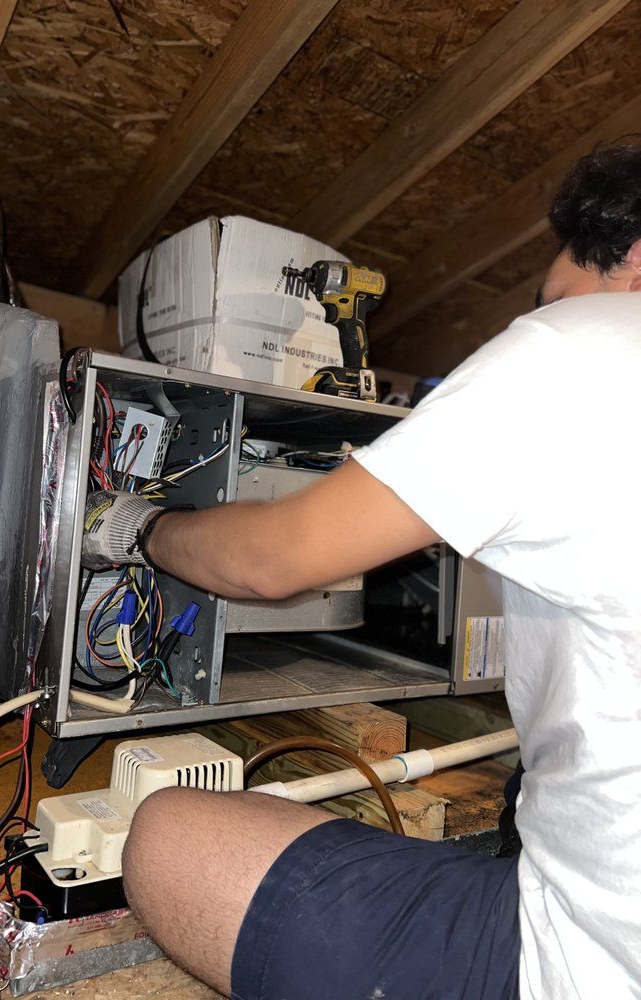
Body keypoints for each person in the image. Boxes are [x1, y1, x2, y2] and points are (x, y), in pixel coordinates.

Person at [120, 143, 641, 999]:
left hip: (595, 967)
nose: (546, 312)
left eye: (553, 294)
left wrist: (141, 526)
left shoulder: (576, 349)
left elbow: (273, 560)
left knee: (170, 838)